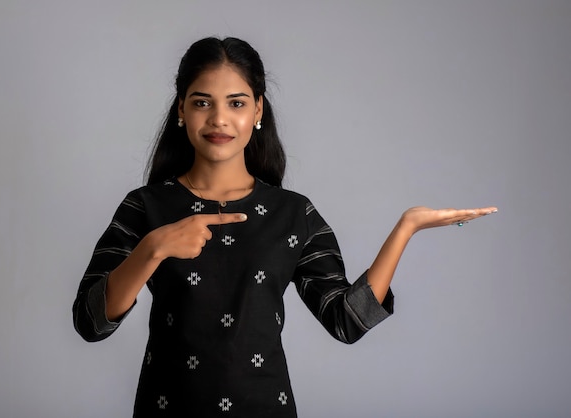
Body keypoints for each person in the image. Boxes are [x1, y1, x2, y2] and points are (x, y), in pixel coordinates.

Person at [72, 37, 497, 417]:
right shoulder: (145, 206)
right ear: (181, 109)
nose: (219, 118)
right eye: (203, 102)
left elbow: (346, 321)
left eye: (236, 103)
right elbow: (90, 323)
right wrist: (153, 249)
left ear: (257, 110)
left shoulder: (293, 213)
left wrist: (406, 228)